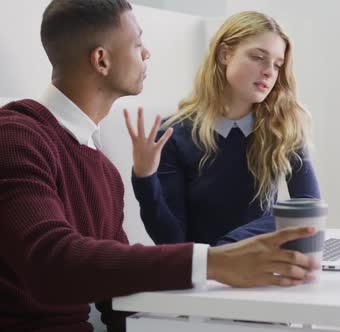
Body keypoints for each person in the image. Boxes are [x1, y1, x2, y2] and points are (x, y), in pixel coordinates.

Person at [0, 1, 319, 331]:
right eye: (138, 43)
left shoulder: (104, 172)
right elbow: (51, 262)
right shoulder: (14, 137)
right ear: (101, 60)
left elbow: (116, 292)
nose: (147, 53)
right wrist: (213, 262)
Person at [129, 11, 321, 247]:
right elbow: (171, 241)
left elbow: (308, 210)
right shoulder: (173, 134)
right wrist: (144, 178)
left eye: (277, 65)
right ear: (225, 54)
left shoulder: (284, 126)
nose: (269, 71)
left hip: (262, 267)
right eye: (258, 57)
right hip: (205, 276)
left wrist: (229, 247)